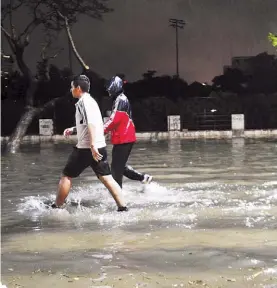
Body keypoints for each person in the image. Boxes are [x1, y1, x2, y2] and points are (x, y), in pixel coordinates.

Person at [52, 75, 128, 212]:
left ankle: (57, 206)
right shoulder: (91, 101)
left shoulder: (83, 102)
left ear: (78, 88)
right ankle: (123, 207)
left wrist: (92, 145)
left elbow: (91, 124)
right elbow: (92, 123)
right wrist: (74, 129)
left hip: (86, 148)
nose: (71, 90)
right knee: (107, 178)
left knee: (66, 175)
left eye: (72, 87)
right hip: (99, 145)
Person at [103, 75, 153, 189]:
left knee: (116, 169)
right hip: (124, 137)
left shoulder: (120, 99)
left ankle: (118, 195)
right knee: (119, 167)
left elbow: (114, 119)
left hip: (124, 138)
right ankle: (143, 178)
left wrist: (101, 130)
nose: (108, 90)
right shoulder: (120, 99)